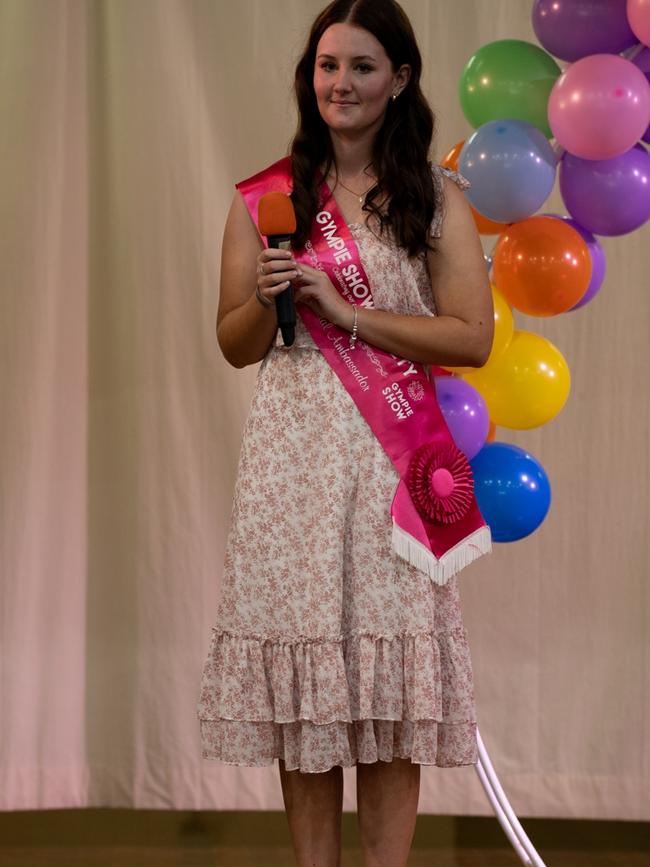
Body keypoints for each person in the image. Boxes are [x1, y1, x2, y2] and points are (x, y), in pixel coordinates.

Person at [197, 1, 494, 864]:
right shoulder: (267, 197)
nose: (341, 84)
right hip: (293, 461)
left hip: (394, 464)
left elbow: (470, 337)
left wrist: (351, 313)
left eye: (362, 67)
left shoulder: (434, 197)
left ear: (399, 80)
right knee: (310, 688)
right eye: (328, 66)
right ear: (309, 76)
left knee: (391, 690)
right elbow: (233, 343)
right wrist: (266, 292)